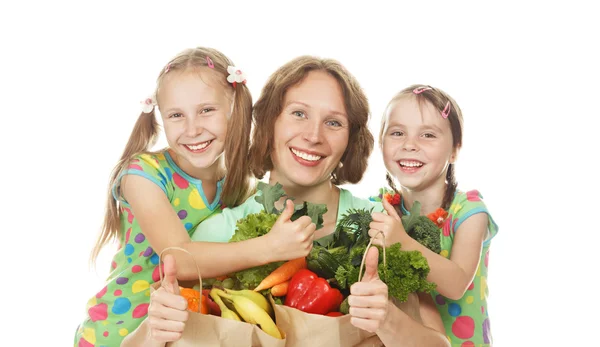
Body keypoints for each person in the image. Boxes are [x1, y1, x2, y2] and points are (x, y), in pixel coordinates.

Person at [132, 56, 448, 346]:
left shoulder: (383, 224)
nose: (313, 135)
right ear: (268, 123)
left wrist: (389, 322)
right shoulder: (215, 237)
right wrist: (154, 334)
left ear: (350, 140)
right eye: (298, 113)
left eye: (334, 122)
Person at [74, 46, 254, 347]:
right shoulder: (143, 174)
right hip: (116, 334)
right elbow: (180, 259)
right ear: (160, 118)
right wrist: (268, 248)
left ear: (234, 109)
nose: (193, 129)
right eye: (176, 115)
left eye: (207, 110)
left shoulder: (237, 186)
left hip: (183, 336)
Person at [369, 84, 499, 346]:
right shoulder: (380, 206)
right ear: (381, 143)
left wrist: (402, 242)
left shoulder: (469, 212)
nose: (409, 145)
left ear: (455, 150)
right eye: (397, 133)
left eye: (427, 135)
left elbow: (456, 283)